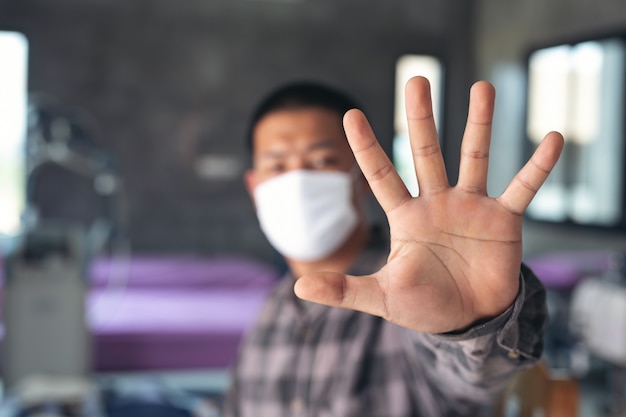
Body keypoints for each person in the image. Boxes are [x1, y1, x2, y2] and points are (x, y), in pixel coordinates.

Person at [222, 77, 564, 417]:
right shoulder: (272, 310)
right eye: (277, 166)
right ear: (254, 188)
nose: (297, 182)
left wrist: (470, 324)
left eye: (322, 160)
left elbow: (471, 380)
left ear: (363, 177)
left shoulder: (415, 286)